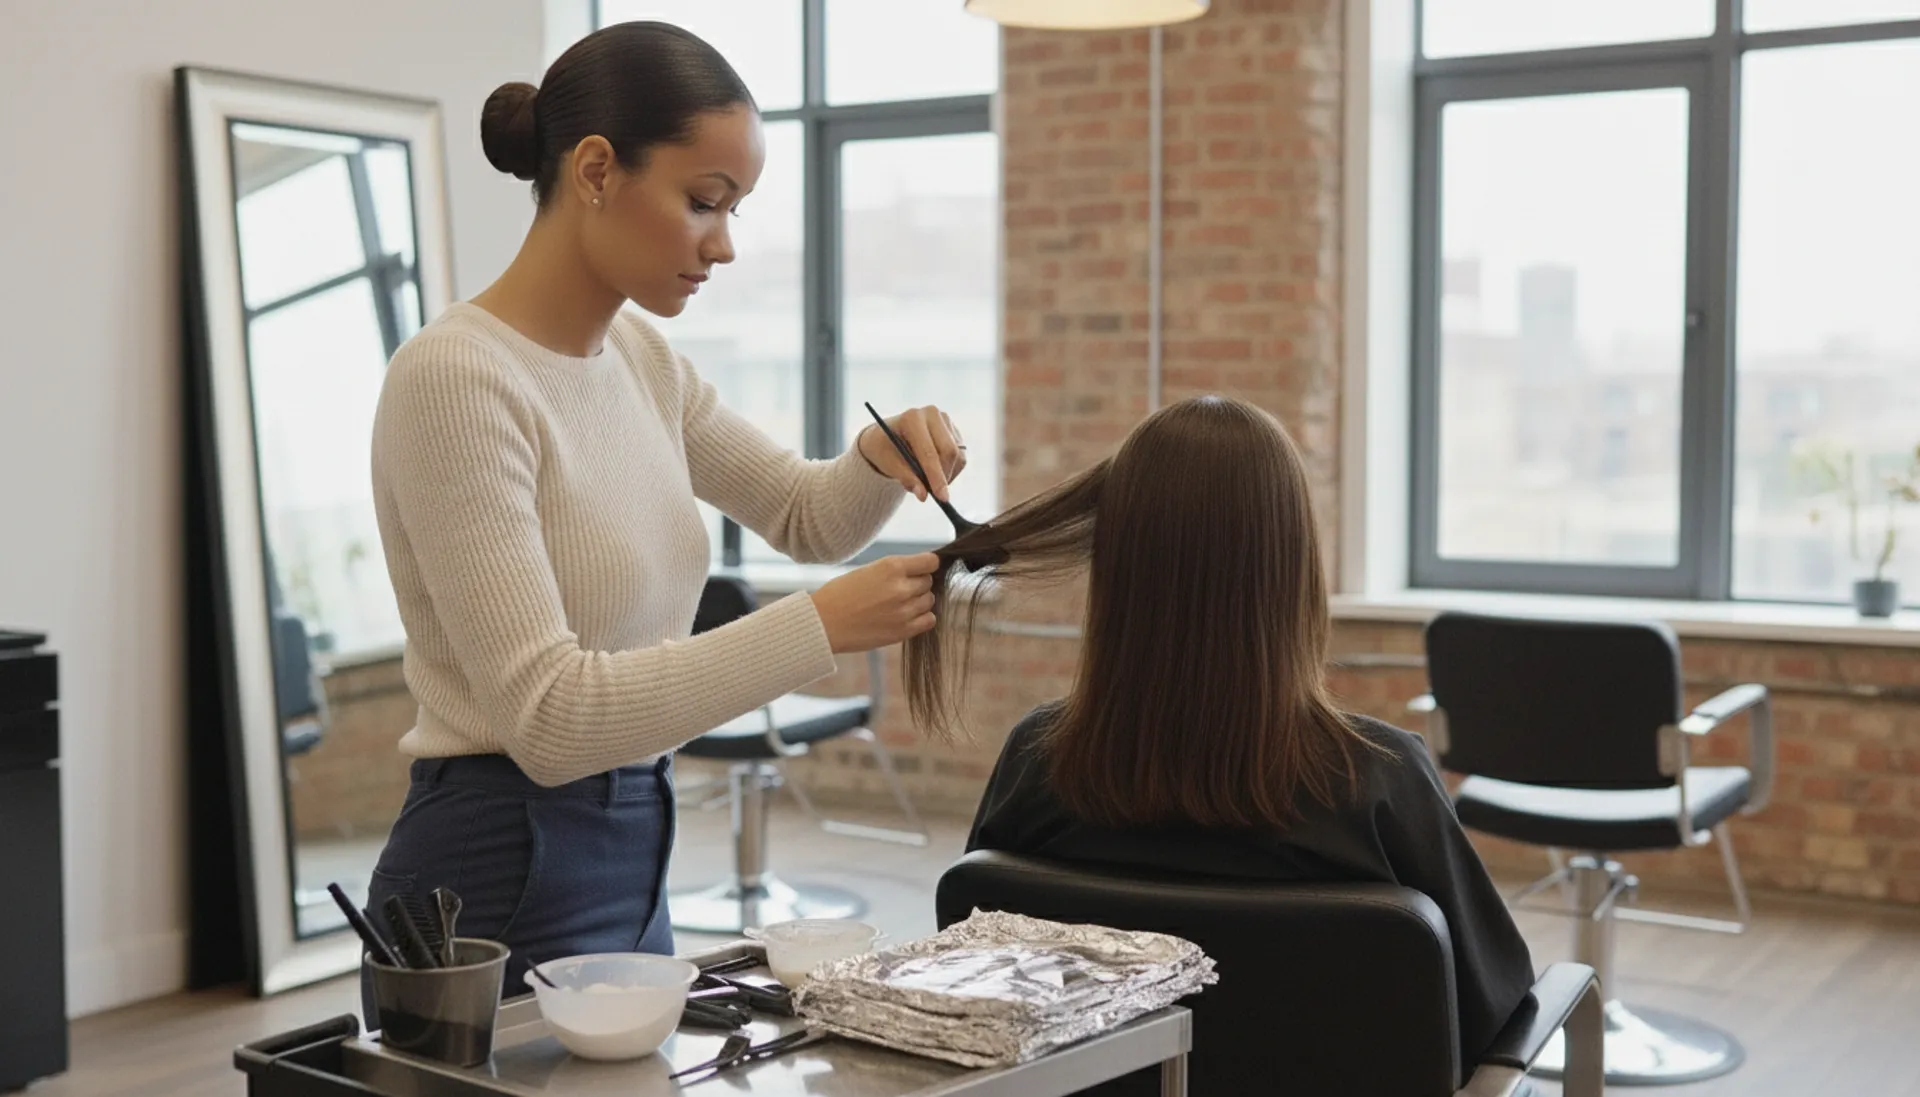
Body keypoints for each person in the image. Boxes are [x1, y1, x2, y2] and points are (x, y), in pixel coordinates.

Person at [361, 21, 966, 1010]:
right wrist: (819, 626)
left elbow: (805, 514)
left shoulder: (643, 362)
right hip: (495, 867)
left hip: (638, 840)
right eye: (702, 203)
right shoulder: (458, 381)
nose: (723, 244)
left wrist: (876, 455)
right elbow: (549, 720)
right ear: (597, 169)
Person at [902, 396, 1535, 1071]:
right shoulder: (1380, 778)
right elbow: (1491, 1011)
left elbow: (979, 981)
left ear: (1118, 571)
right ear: (1290, 568)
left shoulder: (1038, 762)